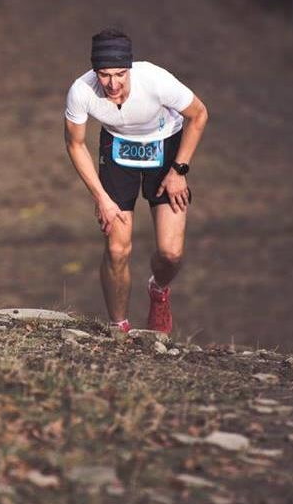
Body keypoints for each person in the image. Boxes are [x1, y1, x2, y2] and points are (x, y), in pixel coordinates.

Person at [64, 28, 208, 334]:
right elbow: (75, 144)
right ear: (94, 71)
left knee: (171, 254)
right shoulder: (81, 91)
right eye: (104, 75)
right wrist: (101, 197)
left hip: (166, 150)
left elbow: (199, 114)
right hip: (117, 153)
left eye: (120, 74)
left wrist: (179, 170)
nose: (113, 84)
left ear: (130, 68)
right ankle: (120, 329)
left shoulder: (156, 80)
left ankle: (158, 290)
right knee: (117, 249)